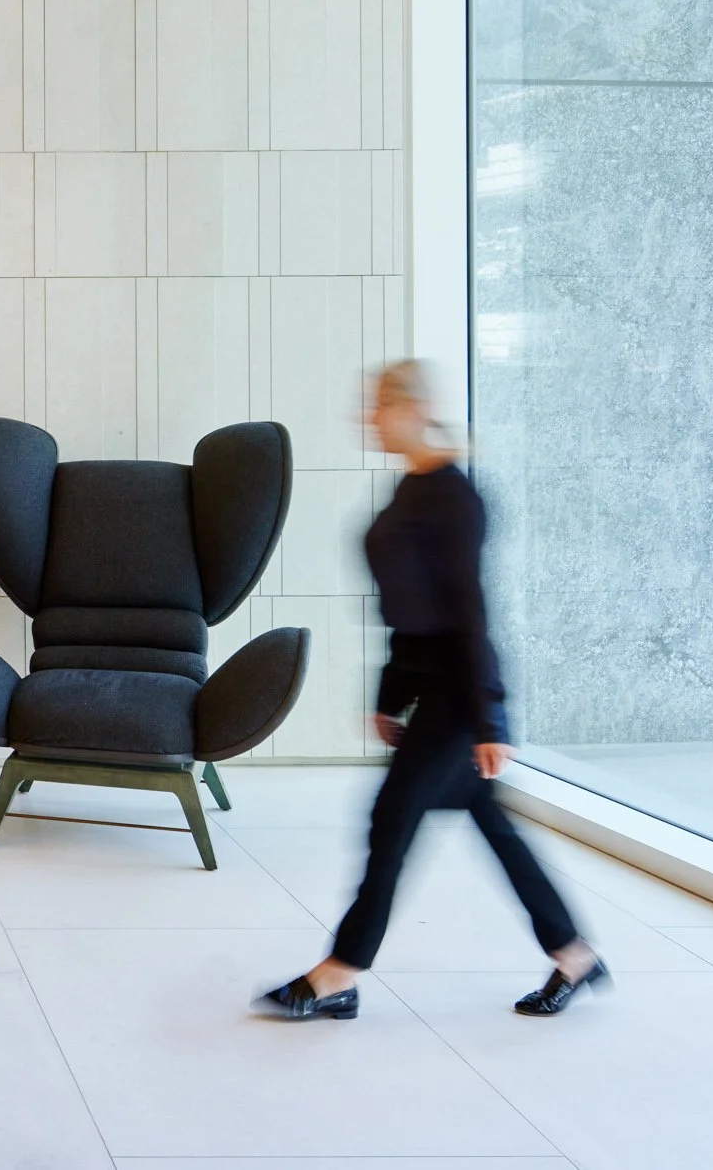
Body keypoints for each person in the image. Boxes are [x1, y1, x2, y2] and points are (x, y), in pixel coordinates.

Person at [258, 362, 607, 1021]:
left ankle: (341, 971)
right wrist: (390, 694)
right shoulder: (413, 487)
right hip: (429, 686)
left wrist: (489, 716)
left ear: (415, 408)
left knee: (391, 818)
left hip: (459, 692)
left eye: (379, 406)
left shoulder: (454, 496)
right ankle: (573, 952)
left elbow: (469, 609)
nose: (368, 418)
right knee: (492, 825)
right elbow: (403, 606)